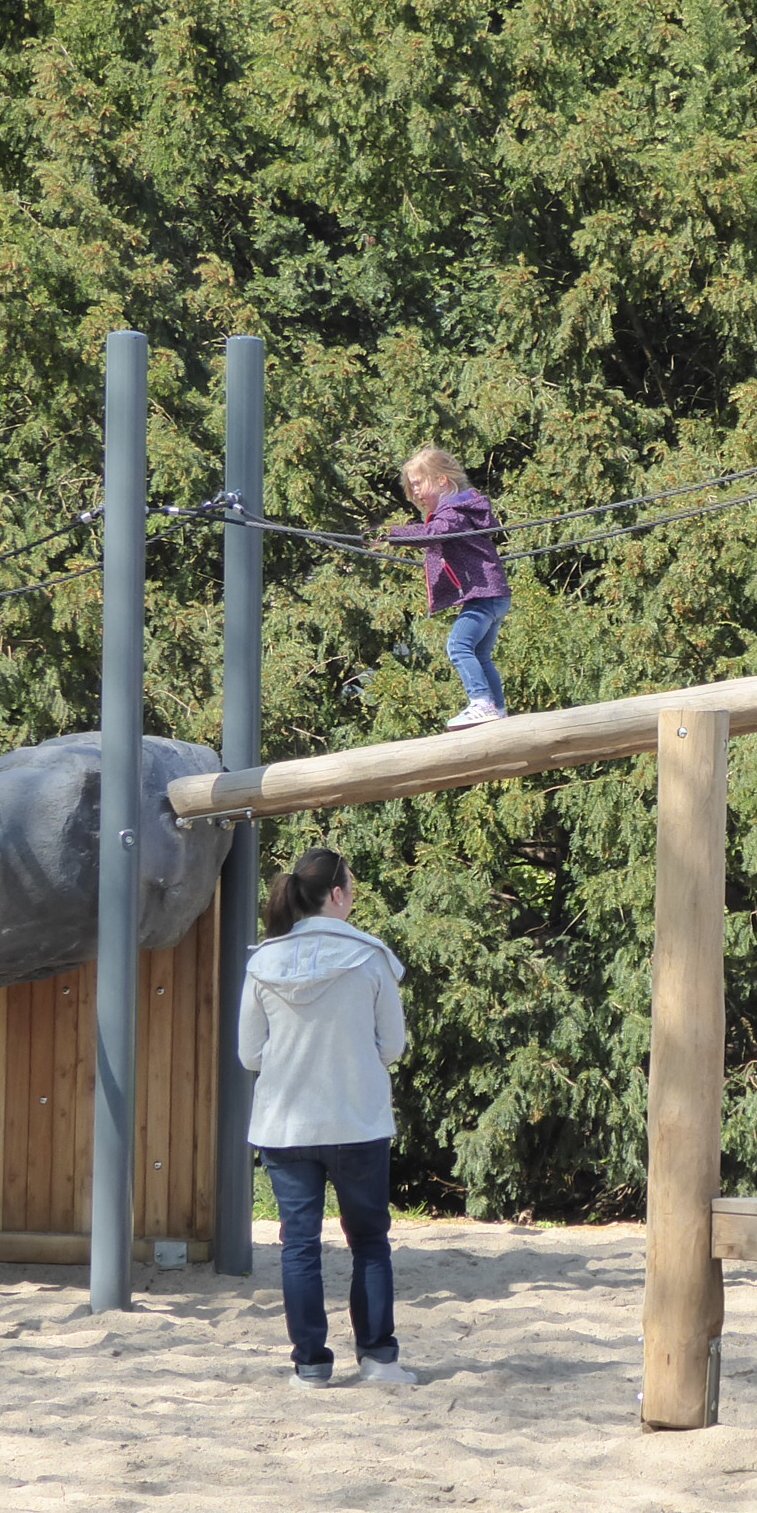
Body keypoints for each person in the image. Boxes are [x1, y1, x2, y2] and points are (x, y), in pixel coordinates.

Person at [238, 848, 419, 1389]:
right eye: (352, 888)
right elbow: (393, 1046)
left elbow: (249, 1053)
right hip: (357, 1120)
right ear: (337, 894)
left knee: (299, 1245)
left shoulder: (263, 962)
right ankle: (379, 1359)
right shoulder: (370, 956)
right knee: (369, 1241)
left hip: (286, 1124)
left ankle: (311, 1365)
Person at [382, 446, 511, 729]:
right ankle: (498, 708)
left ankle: (481, 702)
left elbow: (433, 533)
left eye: (418, 484)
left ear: (442, 480)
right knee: (480, 654)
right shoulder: (465, 509)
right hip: (495, 594)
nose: (415, 492)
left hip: (483, 596)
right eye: (412, 487)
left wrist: (392, 534)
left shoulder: (453, 512)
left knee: (458, 646)